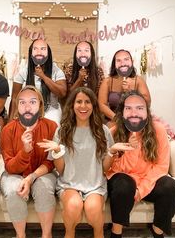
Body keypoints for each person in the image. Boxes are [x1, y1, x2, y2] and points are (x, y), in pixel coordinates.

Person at [38, 87, 133, 238]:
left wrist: (112, 151)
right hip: (69, 184)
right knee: (73, 206)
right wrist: (57, 151)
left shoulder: (103, 131)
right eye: (79, 102)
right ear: (72, 105)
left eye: (87, 102)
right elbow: (61, 170)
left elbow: (103, 169)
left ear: (93, 106)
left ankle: (99, 234)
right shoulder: (62, 131)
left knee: (93, 209)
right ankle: (69, 234)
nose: (83, 106)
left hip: (95, 185)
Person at [106, 90, 175, 238]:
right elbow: (111, 169)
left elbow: (161, 167)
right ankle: (116, 233)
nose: (134, 112)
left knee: (171, 187)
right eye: (129, 108)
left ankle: (157, 231)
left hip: (148, 181)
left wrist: (140, 190)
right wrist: (130, 149)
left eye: (139, 108)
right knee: (123, 183)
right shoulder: (113, 132)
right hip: (123, 182)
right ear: (122, 112)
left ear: (146, 111)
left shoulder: (158, 130)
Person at [0, 85, 58, 238]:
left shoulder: (51, 127)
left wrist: (31, 178)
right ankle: (21, 235)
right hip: (14, 173)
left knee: (43, 188)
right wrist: (25, 151)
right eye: (22, 102)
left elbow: (51, 162)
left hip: (42, 173)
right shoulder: (7, 130)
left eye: (32, 102)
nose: (27, 107)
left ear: (40, 105)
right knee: (14, 190)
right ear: (17, 105)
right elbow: (10, 167)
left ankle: (47, 235)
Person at [8, 39, 67, 125]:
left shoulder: (56, 71)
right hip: (28, 109)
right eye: (35, 49)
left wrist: (43, 76)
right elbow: (14, 98)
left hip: (51, 110)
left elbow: (62, 93)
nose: (39, 52)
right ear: (31, 53)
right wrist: (11, 121)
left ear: (48, 53)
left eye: (43, 49)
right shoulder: (23, 71)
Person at [98, 49, 151, 127]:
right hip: (113, 120)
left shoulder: (138, 80)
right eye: (118, 60)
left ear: (131, 62)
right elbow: (101, 104)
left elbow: (147, 102)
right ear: (114, 64)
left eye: (126, 59)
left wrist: (130, 92)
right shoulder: (107, 81)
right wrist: (117, 119)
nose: (123, 63)